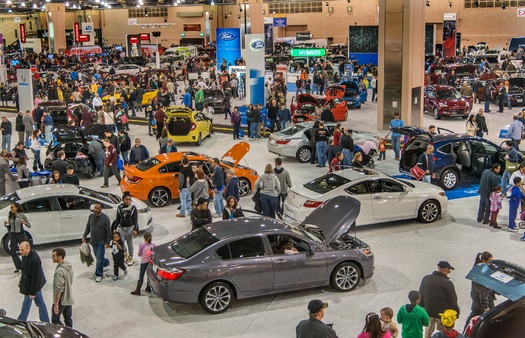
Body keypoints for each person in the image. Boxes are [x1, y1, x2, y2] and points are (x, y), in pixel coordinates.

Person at [419, 261, 460, 338]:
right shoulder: (447, 283)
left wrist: (421, 309)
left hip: (429, 312)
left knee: (428, 331)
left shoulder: (426, 278)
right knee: (442, 333)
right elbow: (453, 300)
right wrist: (456, 313)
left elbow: (421, 294)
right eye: (449, 270)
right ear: (444, 270)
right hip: (442, 314)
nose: (449, 272)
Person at [17, 241, 50, 323]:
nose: (20, 252)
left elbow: (36, 277)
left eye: (22, 250)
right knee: (40, 303)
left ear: (28, 249)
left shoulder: (35, 260)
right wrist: (21, 281)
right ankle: (46, 321)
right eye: (20, 250)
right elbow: (24, 269)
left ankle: (20, 322)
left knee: (26, 305)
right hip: (30, 284)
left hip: (33, 286)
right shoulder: (25, 255)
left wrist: (32, 292)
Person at [82, 203, 112, 283]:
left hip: (101, 242)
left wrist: (107, 242)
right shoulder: (91, 216)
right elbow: (88, 227)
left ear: (101, 209)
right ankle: (106, 263)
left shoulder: (105, 219)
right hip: (93, 241)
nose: (95, 209)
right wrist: (84, 236)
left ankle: (99, 274)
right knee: (98, 257)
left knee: (98, 259)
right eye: (95, 208)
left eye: (97, 208)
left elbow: (108, 232)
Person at [464, 252, 494, 328]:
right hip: (482, 300)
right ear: (484, 260)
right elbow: (483, 294)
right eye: (489, 261)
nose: (491, 263)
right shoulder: (484, 275)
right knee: (488, 315)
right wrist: (486, 307)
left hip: (475, 295)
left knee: (473, 313)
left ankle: (465, 329)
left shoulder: (477, 267)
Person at [51, 247, 74, 328]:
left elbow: (59, 289)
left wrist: (56, 303)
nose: (52, 257)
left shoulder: (59, 271)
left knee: (55, 320)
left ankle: (66, 333)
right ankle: (72, 334)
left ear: (60, 257)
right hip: (68, 297)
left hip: (61, 299)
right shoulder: (68, 266)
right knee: (68, 319)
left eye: (54, 256)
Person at [4, 203, 30, 272]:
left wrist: (24, 222)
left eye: (12, 207)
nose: (11, 209)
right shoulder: (10, 215)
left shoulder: (21, 215)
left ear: (17, 208)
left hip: (20, 234)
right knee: (13, 251)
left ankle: (25, 265)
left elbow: (29, 225)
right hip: (13, 235)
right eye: (10, 207)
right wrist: (6, 224)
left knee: (23, 251)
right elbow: (10, 226)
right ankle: (18, 266)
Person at [114, 192, 138, 266]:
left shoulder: (133, 208)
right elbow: (117, 218)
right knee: (121, 243)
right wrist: (115, 228)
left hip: (130, 229)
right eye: (126, 199)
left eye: (129, 199)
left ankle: (131, 257)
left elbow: (135, 219)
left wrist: (135, 229)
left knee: (130, 244)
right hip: (121, 229)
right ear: (123, 200)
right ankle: (125, 254)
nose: (128, 201)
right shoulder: (119, 208)